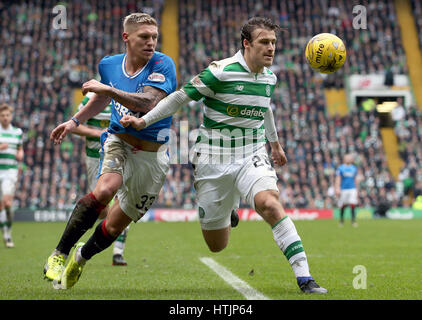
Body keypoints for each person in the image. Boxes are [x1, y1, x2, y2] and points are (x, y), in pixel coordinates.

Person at [121, 17, 327, 294]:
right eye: (264, 42)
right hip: (213, 159)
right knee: (217, 246)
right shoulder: (220, 72)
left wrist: (274, 144)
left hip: (251, 152)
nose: (271, 48)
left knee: (270, 203)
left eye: (274, 43)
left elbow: (264, 108)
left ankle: (305, 277)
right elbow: (180, 97)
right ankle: (229, 209)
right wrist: (143, 121)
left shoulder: (269, 77)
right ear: (246, 43)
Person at [43, 12, 177, 289]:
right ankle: (58, 255)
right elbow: (103, 97)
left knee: (114, 226)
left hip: (153, 156)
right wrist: (74, 121)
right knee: (104, 190)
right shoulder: (109, 65)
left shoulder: (163, 64)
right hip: (120, 140)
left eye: (154, 36)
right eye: (144, 36)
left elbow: (149, 102)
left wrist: (108, 89)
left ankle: (80, 257)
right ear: (126, 37)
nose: (151, 42)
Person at [73, 92, 129, 266]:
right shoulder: (91, 97)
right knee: (103, 209)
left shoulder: (125, 95)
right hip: (94, 157)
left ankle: (118, 253)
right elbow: (74, 126)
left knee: (124, 203)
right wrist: (98, 133)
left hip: (120, 155)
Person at [0, 104, 24, 248]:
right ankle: (6, 234)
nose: (5, 117)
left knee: (7, 203)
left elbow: (20, 148)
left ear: (11, 116)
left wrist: (20, 153)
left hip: (10, 171)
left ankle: (7, 231)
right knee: (1, 205)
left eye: (7, 115)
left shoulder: (17, 132)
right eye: (2, 115)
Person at [335, 153, 359, 227]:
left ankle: (353, 221)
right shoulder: (341, 168)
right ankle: (341, 220)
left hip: (352, 188)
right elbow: (338, 178)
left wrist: (357, 189)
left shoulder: (354, 168)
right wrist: (337, 188)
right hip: (344, 189)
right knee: (343, 205)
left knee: (352, 204)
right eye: (347, 158)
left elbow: (355, 179)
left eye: (349, 158)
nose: (348, 159)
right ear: (344, 159)